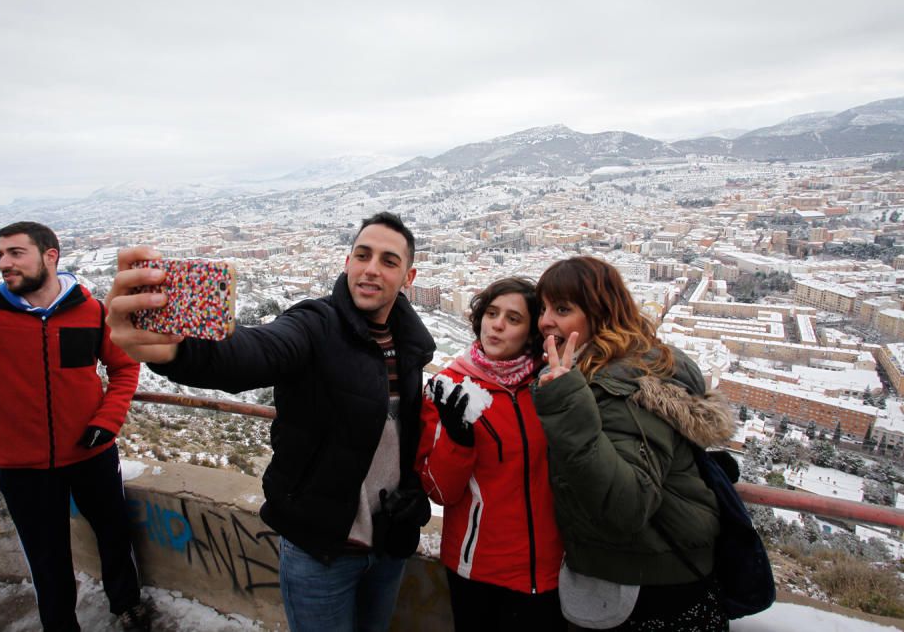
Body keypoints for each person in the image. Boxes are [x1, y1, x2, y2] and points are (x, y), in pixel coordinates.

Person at [105, 211, 436, 632]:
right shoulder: (316, 325)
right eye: (362, 255)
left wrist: (412, 492)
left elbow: (401, 437)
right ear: (347, 262)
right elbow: (256, 350)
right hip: (321, 554)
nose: (371, 269)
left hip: (389, 546)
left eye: (389, 261)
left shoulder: (410, 346)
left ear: (408, 277)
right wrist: (178, 351)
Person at [0, 222, 149, 632]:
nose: (4, 263)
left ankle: (127, 606)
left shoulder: (91, 311)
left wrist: (107, 422)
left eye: (16, 253)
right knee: (46, 557)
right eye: (0, 255)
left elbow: (124, 367)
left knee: (114, 535)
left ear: (49, 255)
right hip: (24, 468)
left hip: (93, 453)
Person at [532, 257, 735, 631]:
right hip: (654, 572)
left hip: (649, 588)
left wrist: (566, 400)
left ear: (601, 312)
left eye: (562, 309)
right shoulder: (623, 365)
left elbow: (625, 507)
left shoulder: (621, 383)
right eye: (542, 308)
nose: (545, 320)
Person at [416, 277, 565, 631]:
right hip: (480, 570)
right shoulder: (449, 387)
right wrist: (458, 442)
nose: (497, 324)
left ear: (531, 332)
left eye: (513, 319)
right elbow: (439, 491)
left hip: (549, 569)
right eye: (492, 313)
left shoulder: (551, 383)